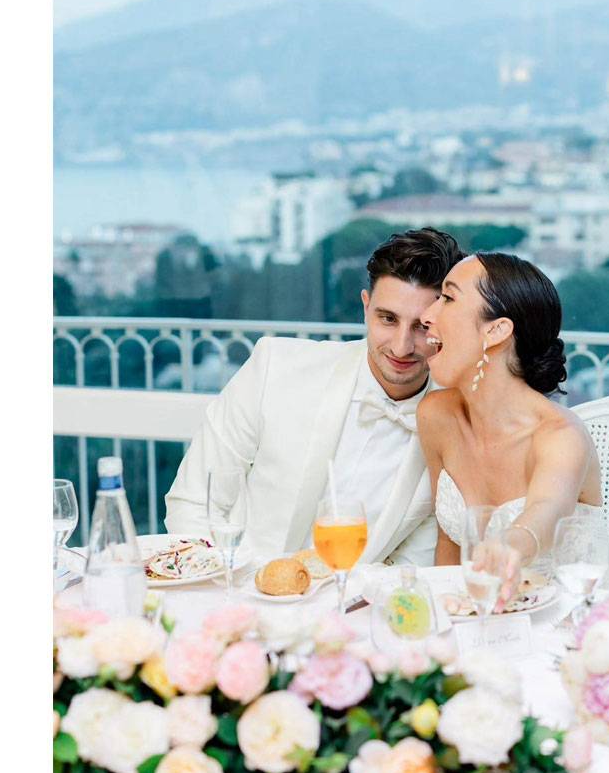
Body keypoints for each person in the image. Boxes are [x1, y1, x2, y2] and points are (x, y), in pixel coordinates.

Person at [164, 227, 465, 565]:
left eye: (422, 327)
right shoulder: (274, 367)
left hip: (350, 609)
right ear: (366, 308)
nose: (401, 346)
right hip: (240, 592)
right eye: (388, 319)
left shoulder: (454, 426)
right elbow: (192, 504)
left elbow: (413, 564)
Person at [416, 252, 605, 600]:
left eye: (448, 297)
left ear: (497, 330)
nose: (426, 315)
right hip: (482, 622)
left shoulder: (561, 436)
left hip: (566, 624)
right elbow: (449, 542)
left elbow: (545, 513)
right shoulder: (435, 416)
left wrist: (510, 546)